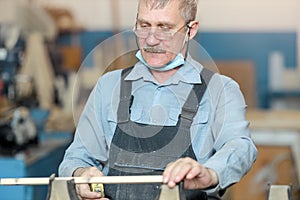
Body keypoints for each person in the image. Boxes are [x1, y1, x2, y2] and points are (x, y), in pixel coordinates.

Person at [58, 0, 257, 199]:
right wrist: (82, 175)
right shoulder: (108, 86)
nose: (151, 40)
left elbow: (240, 146)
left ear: (191, 30)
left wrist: (210, 173)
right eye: (144, 26)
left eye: (165, 28)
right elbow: (77, 157)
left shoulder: (220, 90)